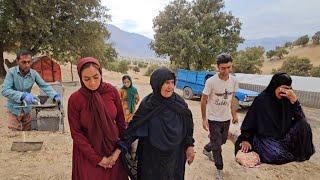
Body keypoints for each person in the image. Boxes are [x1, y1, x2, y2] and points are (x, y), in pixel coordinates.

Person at [117, 67, 195, 180]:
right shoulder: (148, 104)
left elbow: (188, 125)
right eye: (166, 83)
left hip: (175, 157)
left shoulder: (179, 103)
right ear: (157, 84)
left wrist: (189, 145)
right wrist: (119, 148)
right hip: (151, 159)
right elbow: (133, 128)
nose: (171, 87)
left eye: (172, 82)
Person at [235, 72, 315, 165]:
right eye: (284, 88)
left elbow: (300, 119)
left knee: (304, 124)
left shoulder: (287, 100)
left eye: (289, 88)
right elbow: (250, 122)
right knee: (276, 155)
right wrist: (245, 139)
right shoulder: (261, 100)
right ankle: (285, 151)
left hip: (283, 136)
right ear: (274, 86)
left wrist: (295, 102)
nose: (286, 91)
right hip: (265, 138)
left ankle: (288, 150)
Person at [67, 57, 128, 180]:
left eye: (96, 77)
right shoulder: (75, 100)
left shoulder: (111, 91)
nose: (93, 83)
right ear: (80, 77)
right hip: (88, 155)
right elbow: (76, 133)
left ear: (101, 73)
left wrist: (117, 152)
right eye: (87, 79)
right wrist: (97, 159)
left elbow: (121, 123)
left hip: (113, 152)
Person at [1, 50, 61, 131]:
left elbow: (44, 86)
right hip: (13, 109)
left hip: (27, 109)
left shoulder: (34, 74)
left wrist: (54, 95)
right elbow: (5, 90)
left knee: (28, 134)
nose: (27, 65)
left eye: (29, 62)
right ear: (17, 61)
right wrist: (22, 96)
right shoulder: (11, 73)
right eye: (24, 62)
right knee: (14, 135)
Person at [201, 53, 239, 180]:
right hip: (213, 119)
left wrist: (234, 114)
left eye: (229, 67)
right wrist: (203, 118)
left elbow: (233, 98)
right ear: (217, 67)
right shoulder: (211, 81)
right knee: (217, 146)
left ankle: (207, 148)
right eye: (223, 68)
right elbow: (203, 99)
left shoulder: (234, 80)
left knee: (222, 140)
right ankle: (219, 169)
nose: (226, 71)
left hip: (226, 118)